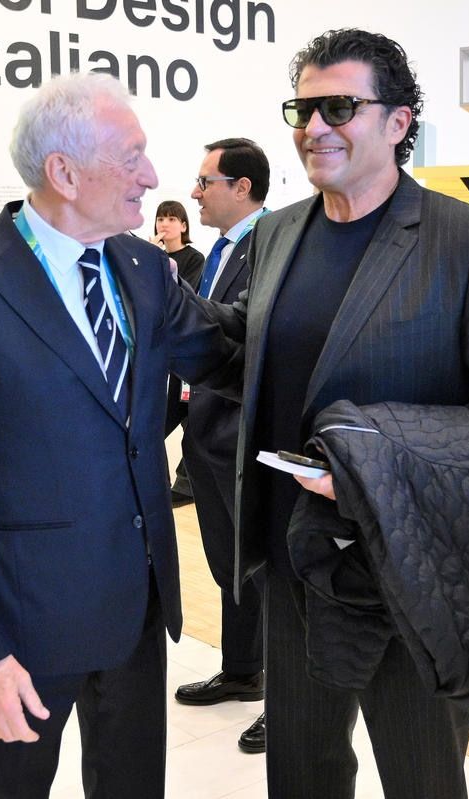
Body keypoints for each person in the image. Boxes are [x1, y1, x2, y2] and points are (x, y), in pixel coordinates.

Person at [200, 29, 469, 797]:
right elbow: (251, 357)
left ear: (398, 122)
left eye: (338, 107)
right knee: (300, 771)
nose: (313, 126)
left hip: (413, 562)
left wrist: (382, 459)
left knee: (420, 776)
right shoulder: (276, 232)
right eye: (301, 109)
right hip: (295, 557)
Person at [0, 73, 238, 799]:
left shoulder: (144, 269)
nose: (152, 177)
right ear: (65, 173)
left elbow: (225, 355)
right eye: (132, 157)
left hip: (138, 608)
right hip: (25, 628)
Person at [171, 137, 270, 754]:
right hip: (206, 431)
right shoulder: (222, 249)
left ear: (241, 187)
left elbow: (245, 332)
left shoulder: (272, 246)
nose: (195, 193)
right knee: (230, 564)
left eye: (205, 182)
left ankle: (287, 702)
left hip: (241, 432)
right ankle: (242, 671)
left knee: (265, 572)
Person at [154, 199, 205, 507]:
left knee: (187, 416)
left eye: (172, 219)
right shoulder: (150, 256)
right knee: (166, 418)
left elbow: (183, 297)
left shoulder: (194, 259)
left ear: (184, 225)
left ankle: (186, 484)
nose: (165, 224)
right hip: (157, 348)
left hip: (182, 350)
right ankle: (176, 484)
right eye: (161, 218)